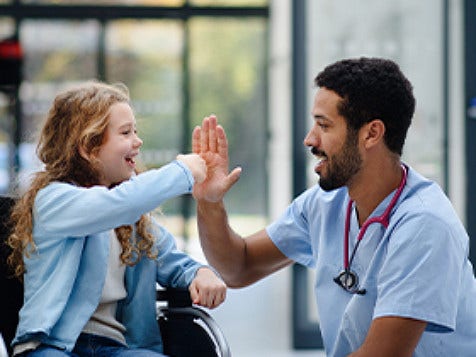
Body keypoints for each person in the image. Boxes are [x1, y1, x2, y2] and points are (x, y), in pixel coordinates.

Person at [192, 57, 476, 356]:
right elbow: (239, 267)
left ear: (371, 133)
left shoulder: (425, 225)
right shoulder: (326, 202)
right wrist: (210, 204)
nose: (309, 139)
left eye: (324, 125)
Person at [7, 81, 226, 356]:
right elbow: (115, 205)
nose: (138, 141)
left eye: (135, 131)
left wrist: (201, 273)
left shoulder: (134, 219)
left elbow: (174, 261)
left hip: (116, 348)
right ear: (88, 147)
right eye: (125, 133)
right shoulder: (54, 201)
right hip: (54, 346)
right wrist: (182, 172)